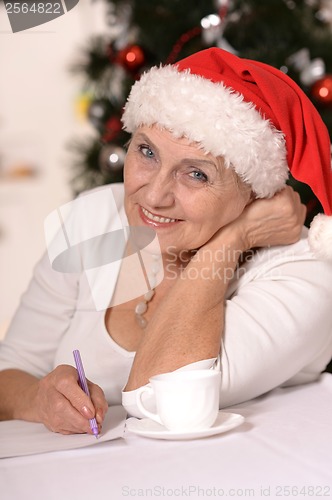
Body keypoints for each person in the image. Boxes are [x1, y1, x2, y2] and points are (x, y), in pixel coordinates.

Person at [0, 48, 332, 436]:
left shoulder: (305, 274)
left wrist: (231, 240)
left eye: (196, 174)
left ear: (255, 195)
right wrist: (39, 398)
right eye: (147, 152)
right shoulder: (92, 221)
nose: (154, 195)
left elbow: (159, 395)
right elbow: (11, 368)